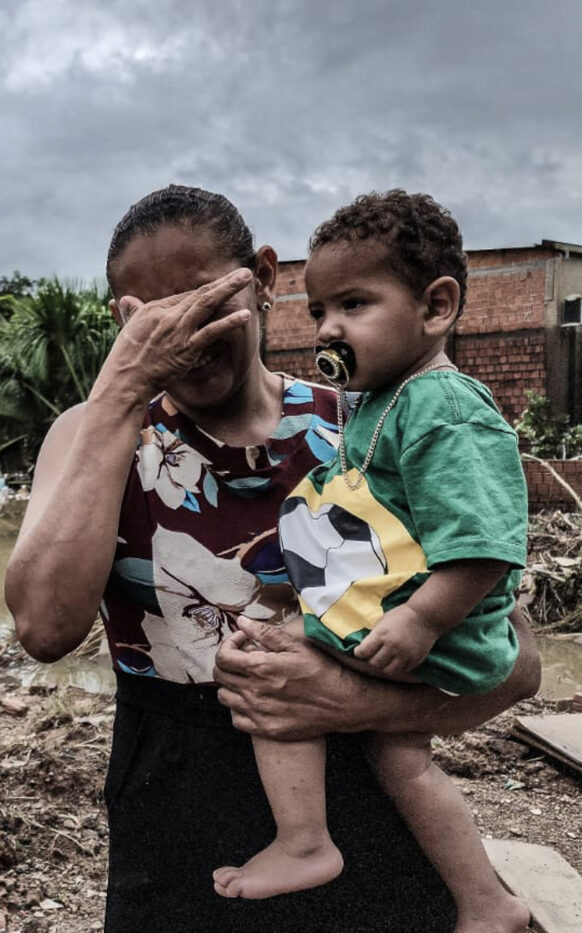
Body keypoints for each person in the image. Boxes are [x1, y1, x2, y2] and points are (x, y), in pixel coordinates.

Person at [4, 184, 540, 932]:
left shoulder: (372, 426)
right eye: (151, 318)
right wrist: (123, 389)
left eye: (200, 301)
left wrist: (362, 703)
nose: (182, 338)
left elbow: (517, 664)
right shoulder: (94, 433)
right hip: (176, 816)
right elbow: (43, 626)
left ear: (262, 277)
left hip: (364, 815)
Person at [211, 190, 530, 933]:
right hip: (405, 615)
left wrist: (420, 619)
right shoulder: (379, 402)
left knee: (267, 670)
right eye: (320, 309)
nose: (329, 327)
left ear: (436, 305)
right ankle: (488, 901)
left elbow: (484, 543)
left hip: (434, 628)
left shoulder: (442, 407)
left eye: (355, 303)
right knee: (403, 758)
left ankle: (304, 840)